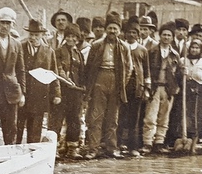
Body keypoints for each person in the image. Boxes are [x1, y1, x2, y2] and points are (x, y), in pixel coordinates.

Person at [83, 13, 131, 159]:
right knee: (96, 116)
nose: (112, 31)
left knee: (113, 117)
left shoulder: (124, 47)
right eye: (110, 28)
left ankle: (111, 147)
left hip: (116, 81)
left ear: (119, 30)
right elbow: (89, 66)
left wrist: (122, 84)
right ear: (105, 29)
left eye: (115, 29)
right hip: (99, 80)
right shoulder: (97, 46)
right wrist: (91, 86)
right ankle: (93, 148)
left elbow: (129, 67)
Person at [0, 7, 26, 145]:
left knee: (11, 129)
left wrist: (22, 93)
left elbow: (21, 70)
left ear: (13, 25)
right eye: (2, 22)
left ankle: (10, 158)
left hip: (11, 93)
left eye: (8, 23)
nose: (5, 26)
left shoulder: (16, 44)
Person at [18, 19, 61, 144]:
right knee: (18, 126)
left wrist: (57, 93)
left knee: (35, 128)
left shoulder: (48, 51)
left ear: (42, 35)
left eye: (37, 35)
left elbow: (54, 73)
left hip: (39, 95)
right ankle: (15, 153)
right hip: (23, 94)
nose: (33, 38)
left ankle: (32, 152)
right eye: (31, 34)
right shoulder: (20, 47)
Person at [142, 21, 180, 155]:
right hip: (154, 87)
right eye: (164, 35)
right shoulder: (151, 52)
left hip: (168, 89)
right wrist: (147, 87)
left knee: (164, 117)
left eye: (169, 35)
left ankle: (159, 142)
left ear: (172, 37)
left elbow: (178, 73)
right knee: (150, 117)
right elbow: (146, 71)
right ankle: (147, 142)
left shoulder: (175, 55)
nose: (166, 37)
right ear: (160, 36)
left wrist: (176, 87)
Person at [50, 23, 86, 158]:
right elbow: (57, 69)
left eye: (74, 37)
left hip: (76, 93)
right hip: (62, 91)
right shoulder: (58, 52)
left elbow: (83, 73)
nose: (71, 39)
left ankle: (72, 148)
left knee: (74, 120)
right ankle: (53, 149)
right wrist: (66, 80)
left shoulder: (79, 54)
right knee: (57, 120)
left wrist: (83, 88)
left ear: (77, 39)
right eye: (69, 36)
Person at [117, 21, 150, 156]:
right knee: (120, 117)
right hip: (123, 88)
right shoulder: (120, 48)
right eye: (129, 32)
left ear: (138, 35)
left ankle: (133, 147)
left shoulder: (143, 50)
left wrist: (147, 89)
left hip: (137, 89)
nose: (131, 35)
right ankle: (119, 145)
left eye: (134, 32)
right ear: (125, 34)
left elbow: (147, 71)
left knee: (134, 119)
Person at [180, 39, 202, 147]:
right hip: (186, 91)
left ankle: (194, 141)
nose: (194, 50)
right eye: (192, 47)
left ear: (201, 49)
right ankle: (184, 138)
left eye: (197, 48)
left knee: (197, 116)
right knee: (185, 115)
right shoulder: (183, 60)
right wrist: (183, 73)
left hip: (200, 92)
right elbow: (177, 77)